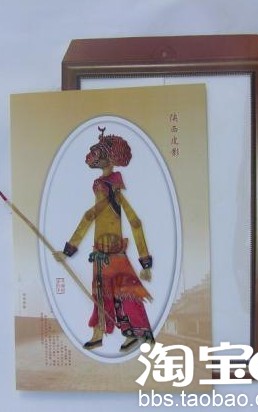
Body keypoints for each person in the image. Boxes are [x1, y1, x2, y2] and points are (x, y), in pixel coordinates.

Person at [54, 127, 154, 352]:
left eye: (97, 154)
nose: (91, 157)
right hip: (109, 253)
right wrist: (145, 262)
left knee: (111, 294)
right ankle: (108, 334)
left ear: (109, 158)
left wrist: (68, 250)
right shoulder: (112, 186)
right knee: (117, 293)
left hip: (107, 254)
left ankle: (113, 334)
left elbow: (91, 215)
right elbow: (134, 221)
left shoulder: (104, 186)